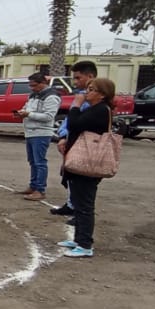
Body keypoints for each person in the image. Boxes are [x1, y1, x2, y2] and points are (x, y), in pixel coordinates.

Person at [57, 78, 116, 258]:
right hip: (79, 161)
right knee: (78, 200)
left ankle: (85, 244)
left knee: (84, 204)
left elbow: (74, 124)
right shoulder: (94, 109)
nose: (86, 93)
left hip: (89, 162)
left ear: (102, 94)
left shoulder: (100, 110)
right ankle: (78, 239)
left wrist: (75, 105)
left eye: (91, 90)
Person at [52, 60, 99, 217]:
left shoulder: (93, 101)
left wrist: (77, 105)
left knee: (81, 180)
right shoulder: (81, 97)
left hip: (84, 146)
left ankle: (79, 212)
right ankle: (72, 204)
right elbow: (68, 122)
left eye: (78, 78)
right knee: (71, 176)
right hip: (71, 141)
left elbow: (76, 121)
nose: (75, 82)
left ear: (90, 76)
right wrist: (63, 136)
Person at [15, 72, 61, 201]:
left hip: (41, 133)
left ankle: (40, 189)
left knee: (39, 162)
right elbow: (26, 107)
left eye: (34, 85)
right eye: (30, 85)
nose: (32, 88)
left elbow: (48, 116)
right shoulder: (33, 95)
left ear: (43, 83)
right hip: (31, 132)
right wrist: (21, 112)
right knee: (33, 161)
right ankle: (33, 186)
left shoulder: (51, 97)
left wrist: (28, 114)